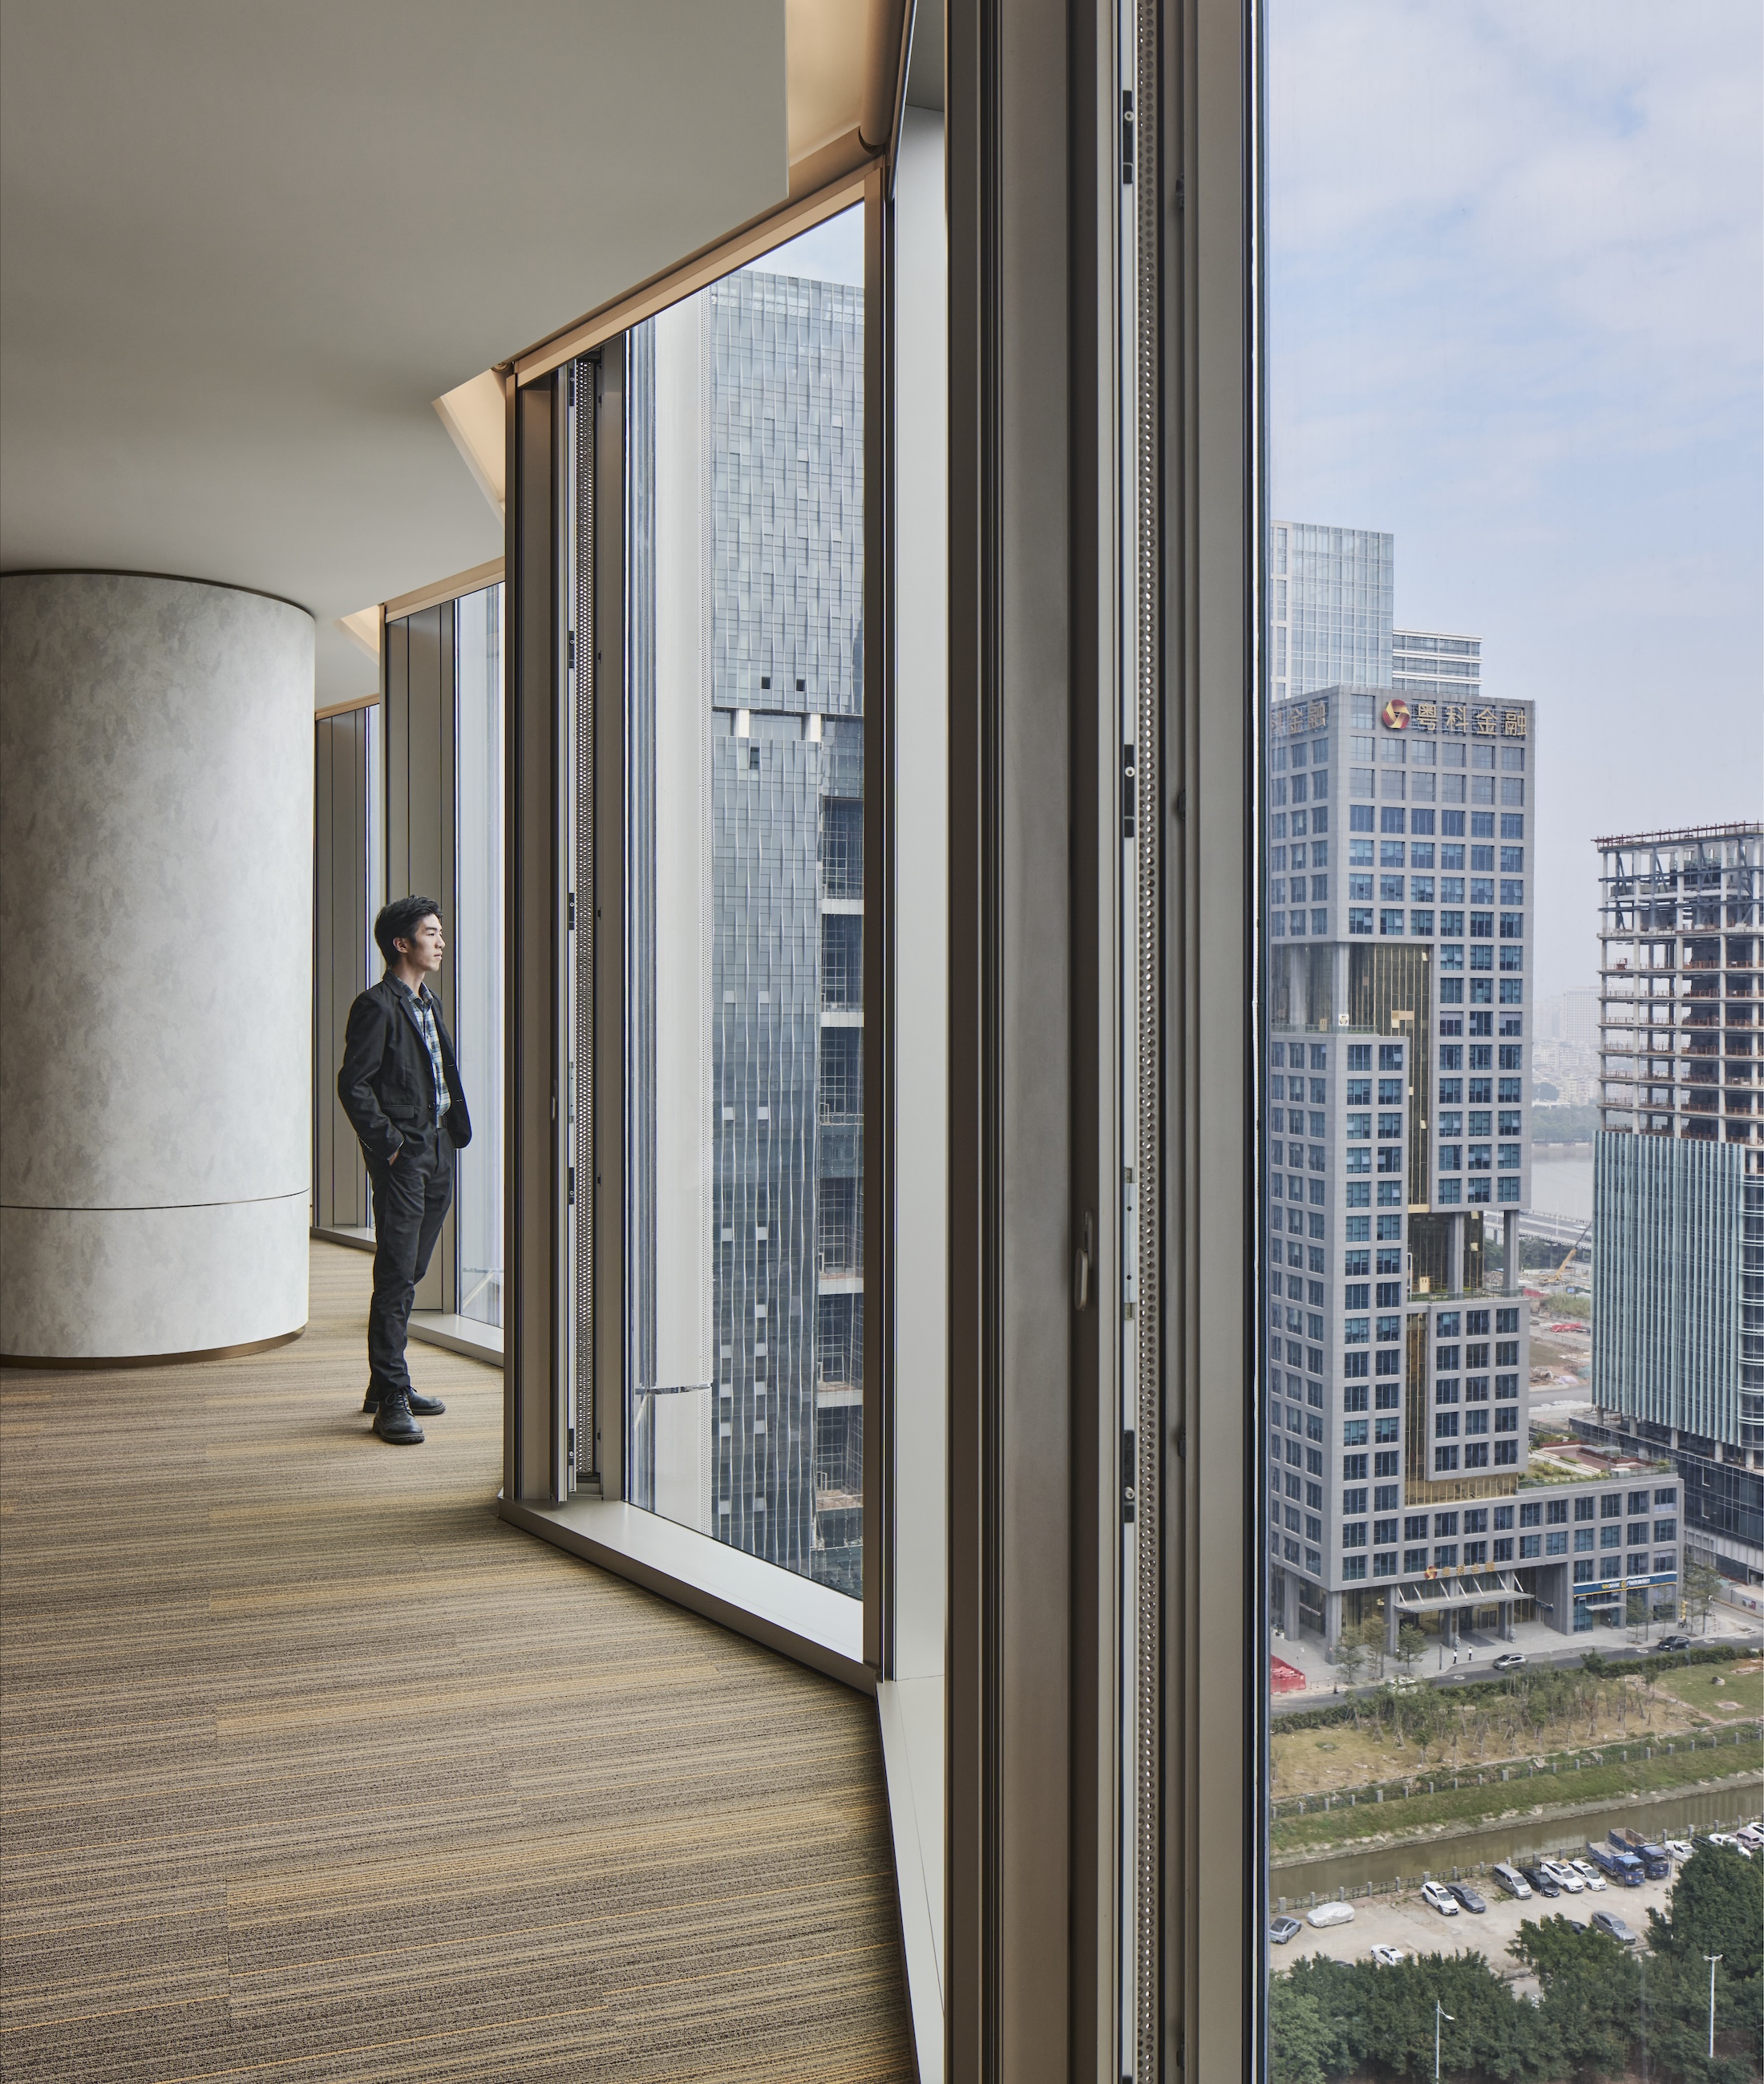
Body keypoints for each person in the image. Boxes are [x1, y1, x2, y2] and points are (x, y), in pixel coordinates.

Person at [338, 896, 472, 1443]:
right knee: (397, 1274)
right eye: (431, 933)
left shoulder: (426, 1001)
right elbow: (354, 1084)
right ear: (402, 943)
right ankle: (391, 1394)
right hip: (405, 1155)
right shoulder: (377, 1005)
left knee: (411, 1267)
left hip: (438, 1147)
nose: (441, 942)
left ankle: (385, 1379)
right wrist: (391, 1147)